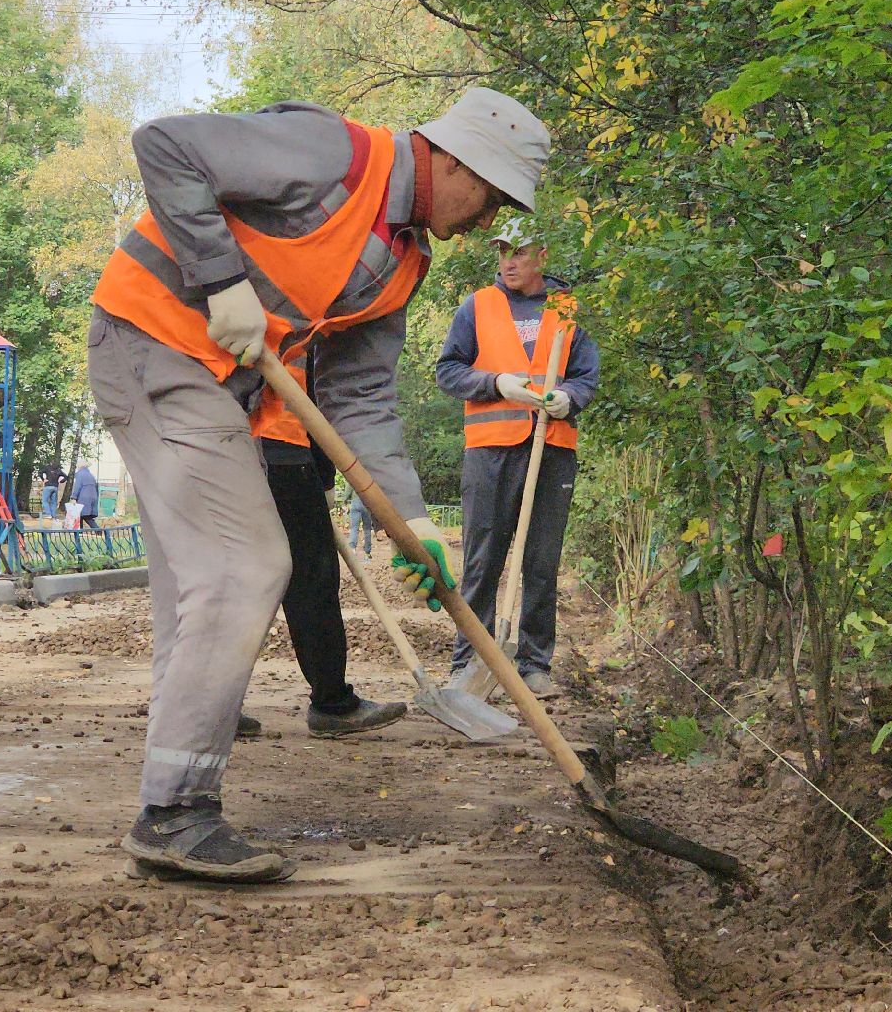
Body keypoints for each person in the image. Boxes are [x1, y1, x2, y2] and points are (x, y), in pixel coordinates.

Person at [85, 87, 549, 882]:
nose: (487, 223)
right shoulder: (336, 153)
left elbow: (361, 396)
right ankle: (177, 812)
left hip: (215, 385)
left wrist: (412, 520)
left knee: (196, 591)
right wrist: (221, 280)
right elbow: (164, 145)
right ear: (456, 162)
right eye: (492, 199)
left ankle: (170, 804)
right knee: (248, 565)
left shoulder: (403, 261)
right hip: (153, 345)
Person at [434, 215, 600, 697]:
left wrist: (570, 397)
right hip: (490, 452)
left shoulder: (568, 309)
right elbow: (448, 371)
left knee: (542, 562)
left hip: (552, 449)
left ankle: (533, 664)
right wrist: (495, 383)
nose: (508, 261)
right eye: (503, 251)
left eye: (520, 252)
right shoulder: (478, 306)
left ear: (542, 255)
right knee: (482, 560)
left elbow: (586, 375)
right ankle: (469, 663)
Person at [238, 357, 407, 742]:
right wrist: (321, 474)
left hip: (222, 447)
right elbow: (315, 395)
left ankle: (210, 706)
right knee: (312, 580)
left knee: (229, 582)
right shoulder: (300, 326)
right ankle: (332, 703)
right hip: (280, 448)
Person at [346, 487, 375, 559]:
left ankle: (353, 549)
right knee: (367, 529)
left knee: (354, 528)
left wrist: (345, 500)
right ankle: (367, 552)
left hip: (355, 502)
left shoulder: (353, 478)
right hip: (367, 502)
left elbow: (348, 489)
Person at [71, 463, 101, 529]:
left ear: (79, 467)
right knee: (86, 516)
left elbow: (77, 486)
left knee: (80, 514)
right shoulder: (91, 475)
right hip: (93, 497)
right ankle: (97, 529)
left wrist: (74, 497)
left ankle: (79, 531)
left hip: (84, 497)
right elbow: (96, 488)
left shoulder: (80, 474)